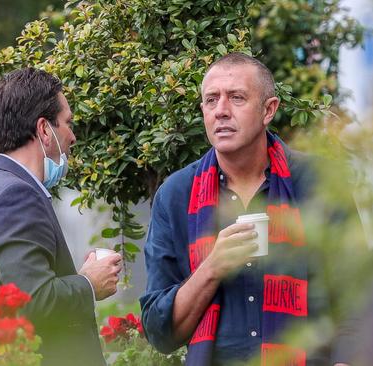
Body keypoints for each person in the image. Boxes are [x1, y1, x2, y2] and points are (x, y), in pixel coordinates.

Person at [140, 53, 350, 365]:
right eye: (211, 100)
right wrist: (212, 268)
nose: (221, 111)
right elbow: (160, 332)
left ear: (269, 110)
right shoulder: (175, 195)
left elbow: (359, 296)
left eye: (237, 97)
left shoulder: (319, 182)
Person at [0, 67, 122, 365]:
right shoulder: (15, 196)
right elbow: (33, 302)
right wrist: (88, 285)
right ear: (44, 129)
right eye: (67, 123)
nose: (72, 136)